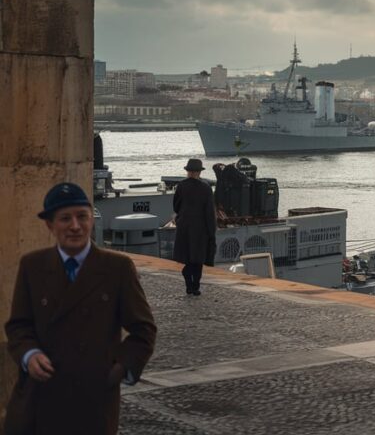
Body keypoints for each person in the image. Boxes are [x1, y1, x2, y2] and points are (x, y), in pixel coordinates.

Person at [4, 182, 157, 434]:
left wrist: (117, 369)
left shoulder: (117, 268)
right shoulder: (32, 266)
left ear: (91, 220)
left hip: (92, 403)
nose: (75, 226)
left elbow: (144, 329)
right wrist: (29, 355)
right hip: (39, 400)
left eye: (82, 216)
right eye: (65, 218)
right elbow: (19, 325)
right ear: (50, 225)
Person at [173, 158, 217, 296]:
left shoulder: (181, 186)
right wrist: (211, 231)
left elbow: (176, 206)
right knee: (198, 260)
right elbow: (210, 212)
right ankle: (195, 287)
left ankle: (188, 285)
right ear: (199, 172)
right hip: (200, 228)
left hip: (184, 227)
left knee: (187, 258)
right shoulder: (206, 188)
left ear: (187, 171)